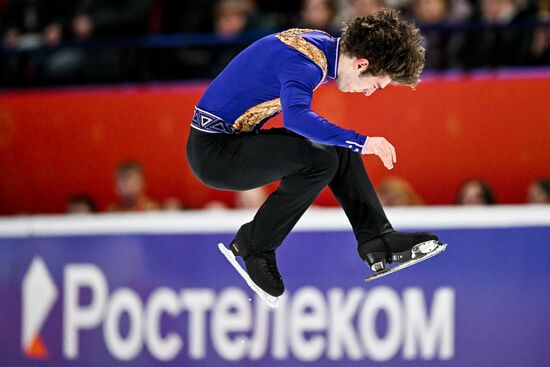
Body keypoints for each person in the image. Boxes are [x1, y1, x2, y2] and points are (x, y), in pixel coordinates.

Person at [186, 9, 440, 298]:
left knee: (338, 151)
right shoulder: (306, 63)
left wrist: (351, 144)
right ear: (361, 64)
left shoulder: (320, 43)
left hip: (231, 142)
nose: (369, 92)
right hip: (215, 155)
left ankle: (377, 240)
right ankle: (255, 245)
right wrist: (362, 141)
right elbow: (296, 118)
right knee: (321, 160)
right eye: (376, 85)